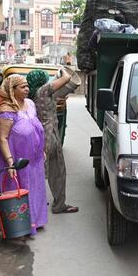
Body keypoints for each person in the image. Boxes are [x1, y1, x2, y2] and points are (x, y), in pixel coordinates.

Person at [0, 74, 48, 236]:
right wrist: (10, 163)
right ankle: (21, 226)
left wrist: (41, 149)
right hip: (17, 159)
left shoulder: (30, 104)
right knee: (21, 188)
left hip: (34, 158)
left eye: (27, 86)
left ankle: (36, 220)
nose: (27, 89)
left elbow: (35, 127)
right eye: (23, 87)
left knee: (36, 187)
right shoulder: (6, 110)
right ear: (12, 90)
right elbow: (2, 138)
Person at [26, 68, 80, 214]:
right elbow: (67, 77)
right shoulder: (43, 90)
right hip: (49, 135)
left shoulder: (33, 94)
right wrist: (62, 70)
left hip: (43, 134)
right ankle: (50, 205)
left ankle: (37, 205)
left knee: (47, 171)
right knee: (53, 171)